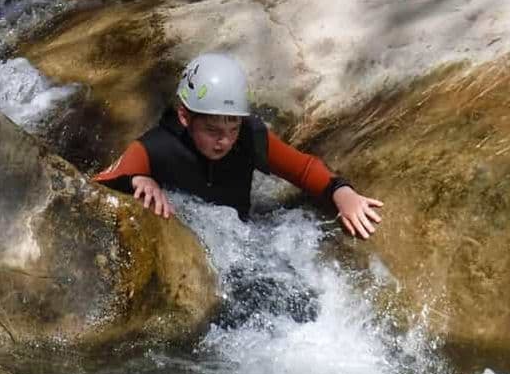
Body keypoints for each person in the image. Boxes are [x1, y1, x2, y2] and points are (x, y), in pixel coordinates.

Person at [94, 53, 383, 238]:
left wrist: (342, 193)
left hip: (240, 241)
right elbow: (97, 184)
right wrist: (137, 178)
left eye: (233, 128)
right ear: (184, 116)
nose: (225, 140)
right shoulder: (156, 147)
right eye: (212, 130)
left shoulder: (250, 137)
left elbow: (304, 169)